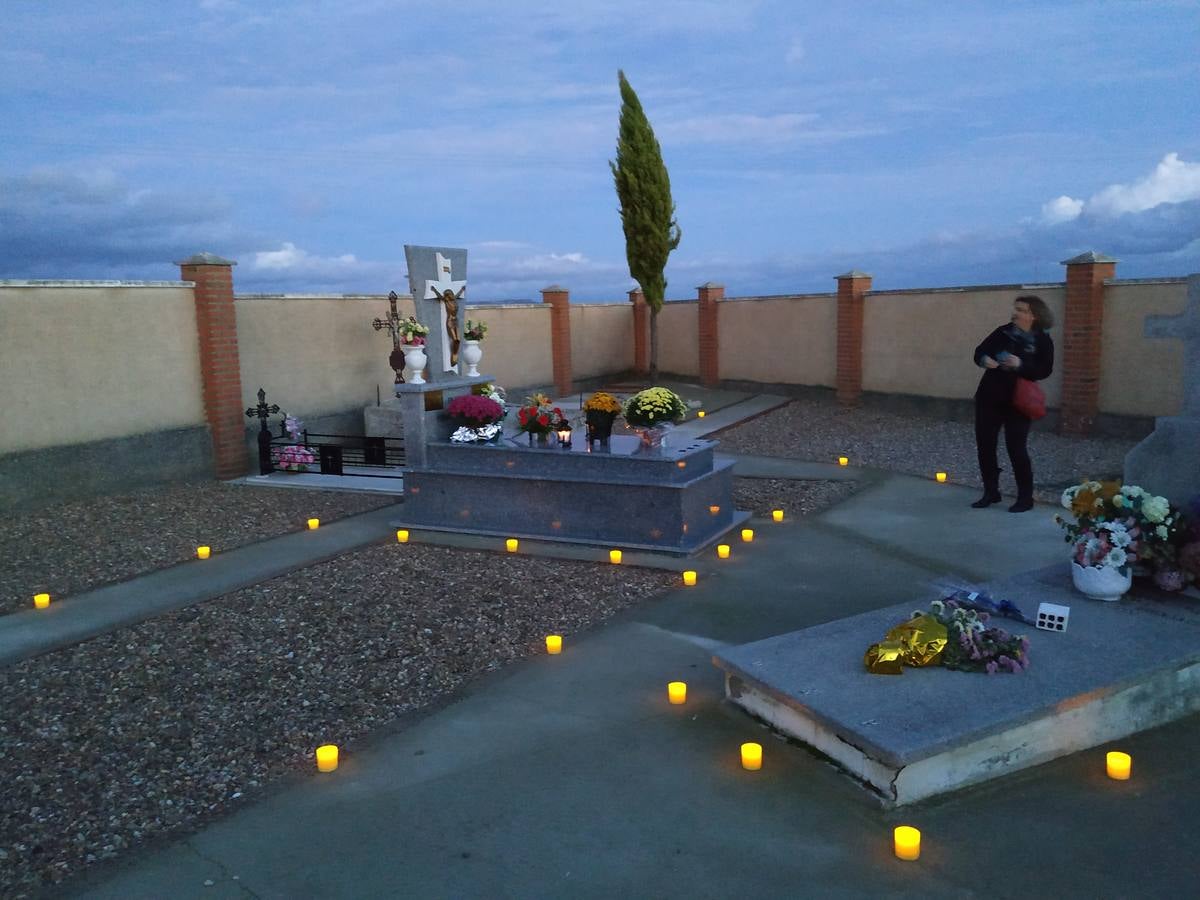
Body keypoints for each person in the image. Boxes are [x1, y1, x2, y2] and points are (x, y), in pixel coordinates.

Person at [971, 295, 1055, 513]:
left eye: (1022, 310)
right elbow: (979, 351)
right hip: (989, 398)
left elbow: (1045, 370)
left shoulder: (1042, 340)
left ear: (1034, 314)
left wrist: (1021, 364)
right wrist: (984, 360)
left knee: (1017, 449)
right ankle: (991, 492)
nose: (1016, 313)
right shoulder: (1003, 332)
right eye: (1016, 309)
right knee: (985, 446)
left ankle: (1025, 498)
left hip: (1019, 402)